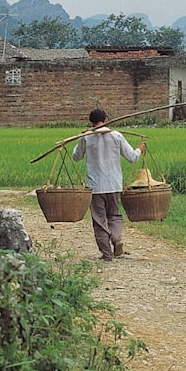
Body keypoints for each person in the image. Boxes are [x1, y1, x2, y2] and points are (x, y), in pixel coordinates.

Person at [72, 108, 146, 261]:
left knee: (99, 220)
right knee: (115, 215)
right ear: (106, 120)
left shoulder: (87, 137)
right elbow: (132, 157)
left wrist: (81, 136)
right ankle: (116, 238)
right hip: (113, 184)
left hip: (95, 186)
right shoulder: (116, 136)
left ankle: (107, 255)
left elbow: (76, 157)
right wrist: (139, 149)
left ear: (91, 122)